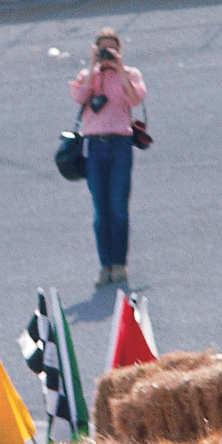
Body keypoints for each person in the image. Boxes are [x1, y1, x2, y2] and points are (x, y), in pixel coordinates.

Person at [69, 28, 147, 288]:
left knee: (119, 208)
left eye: (111, 49)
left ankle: (119, 264)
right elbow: (79, 96)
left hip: (120, 145)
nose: (106, 53)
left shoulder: (130, 74)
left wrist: (119, 68)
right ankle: (105, 266)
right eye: (102, 48)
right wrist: (93, 67)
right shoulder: (89, 76)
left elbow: (135, 99)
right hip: (95, 146)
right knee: (100, 211)